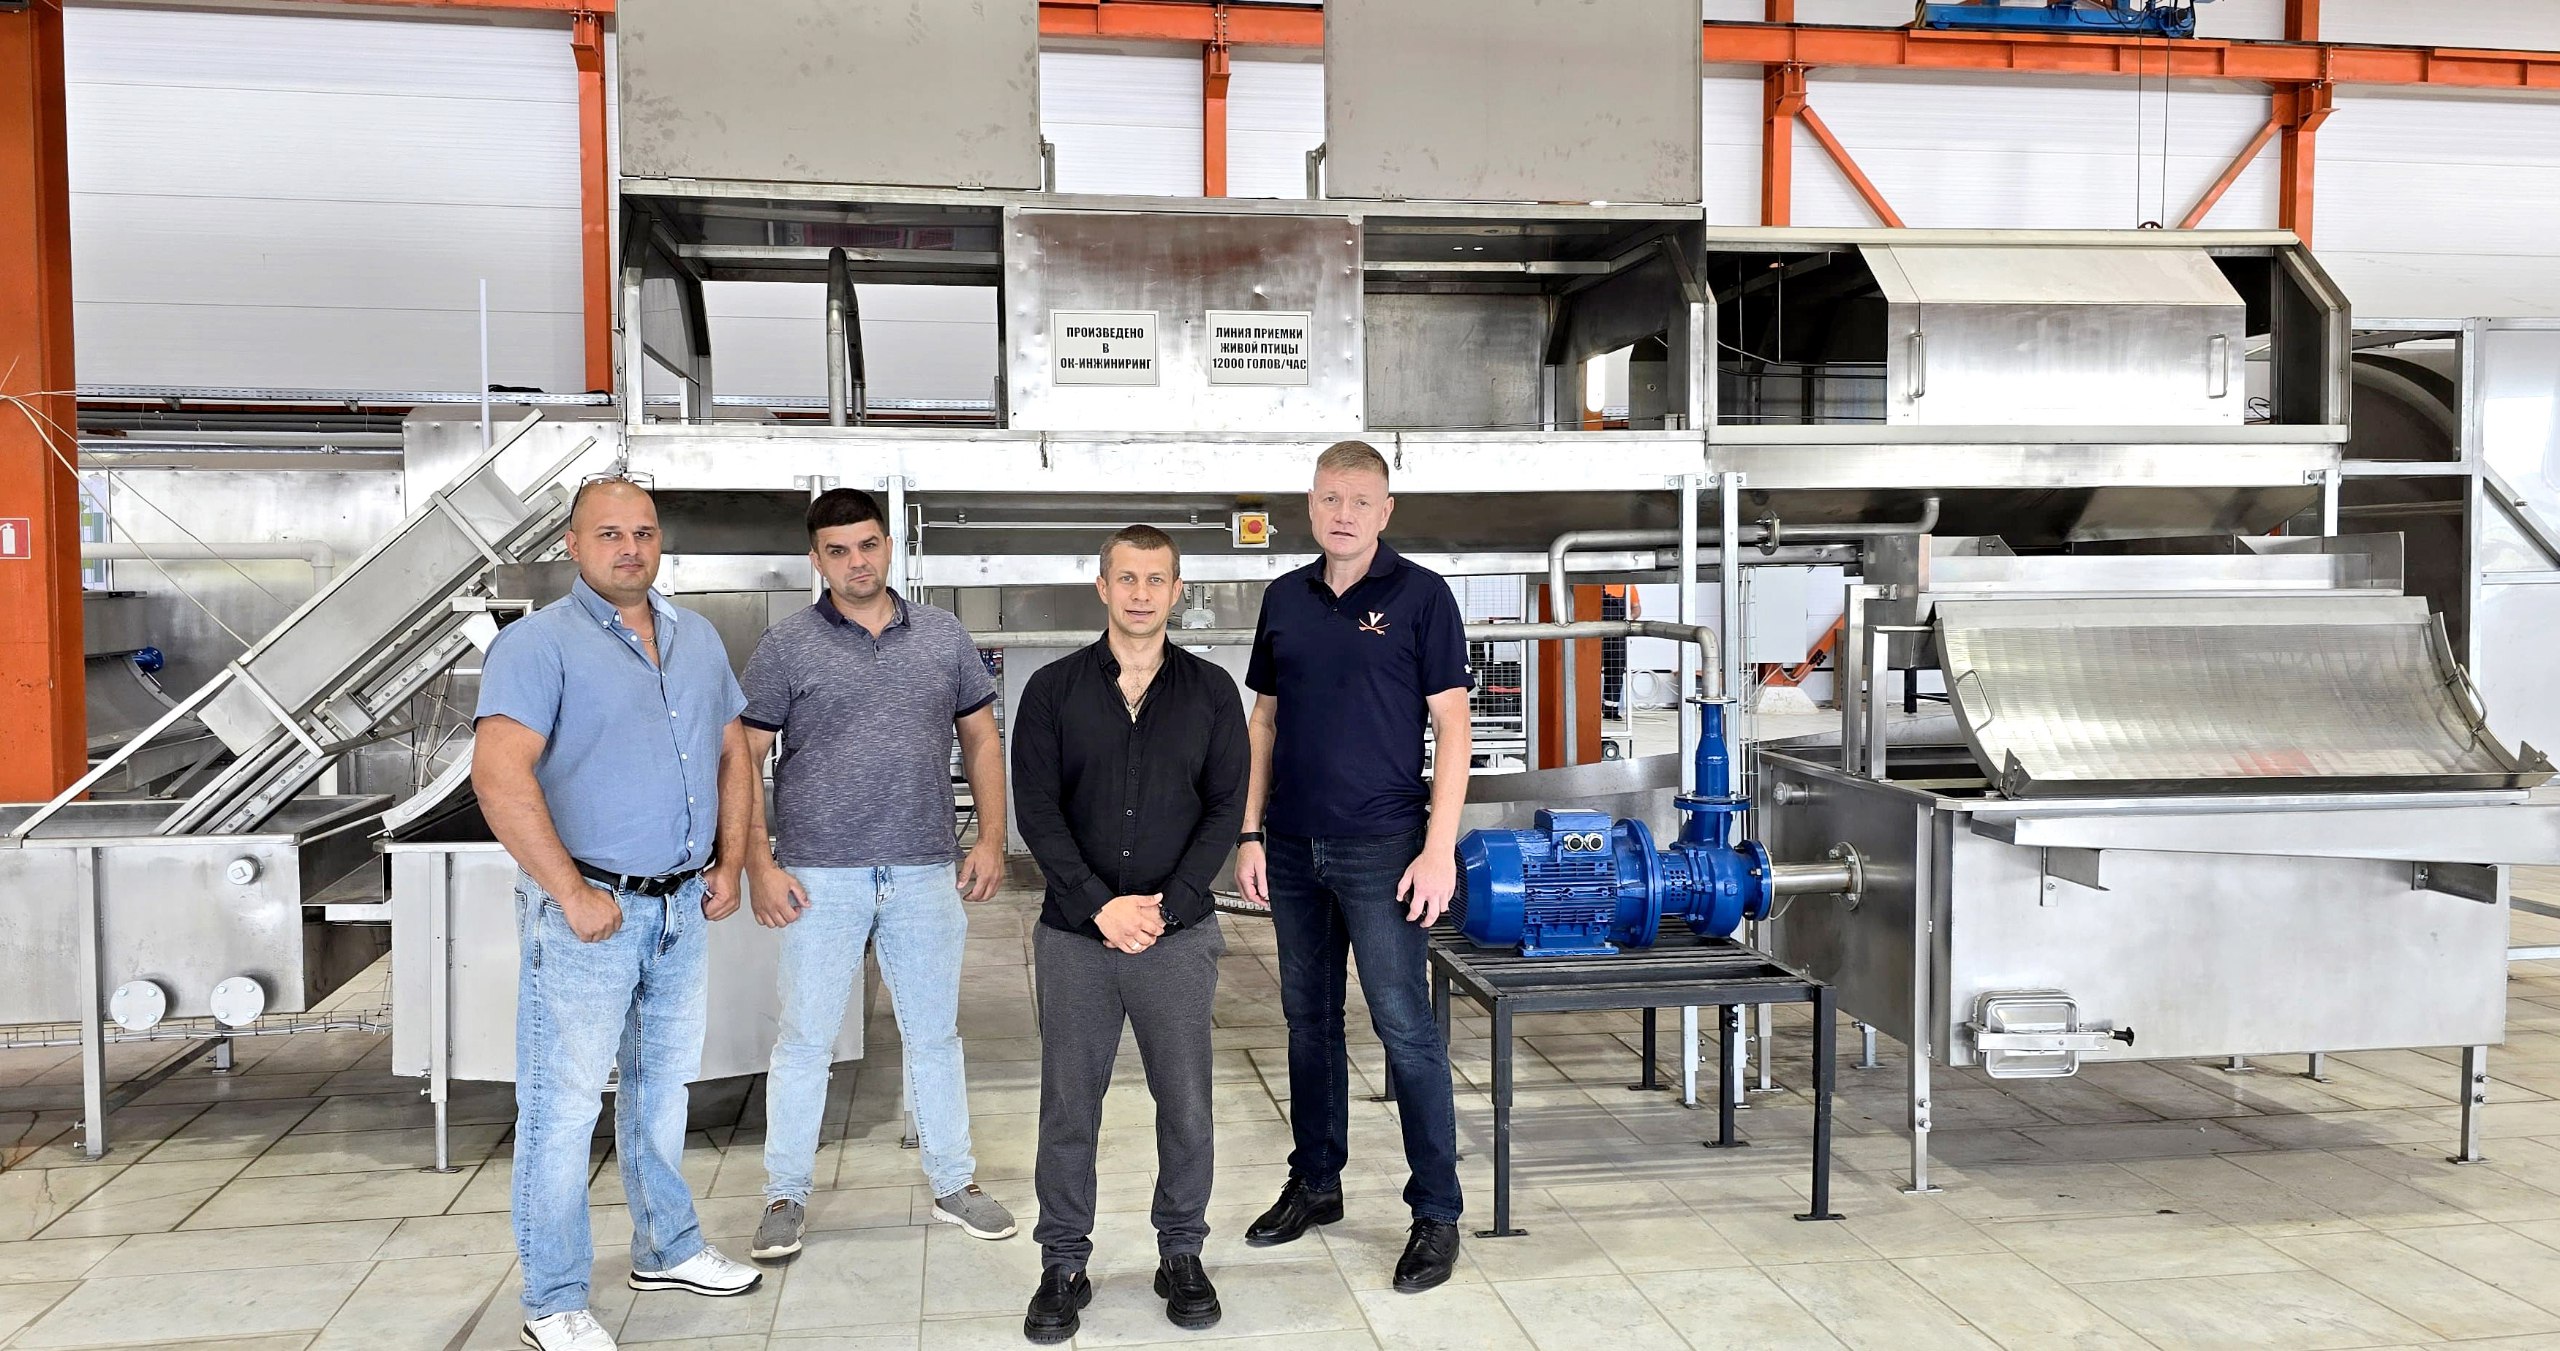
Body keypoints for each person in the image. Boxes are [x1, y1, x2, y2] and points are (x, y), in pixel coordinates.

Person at [473, 476, 763, 1351]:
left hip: (679, 907)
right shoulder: (537, 645)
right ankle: (554, 1296)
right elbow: (498, 775)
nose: (630, 547)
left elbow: (732, 753)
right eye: (609, 533)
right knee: (562, 1108)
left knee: (661, 1092)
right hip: (587, 914)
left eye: (643, 531)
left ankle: (667, 1247)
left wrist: (730, 860)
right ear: (573, 545)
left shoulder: (696, 636)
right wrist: (570, 891)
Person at [740, 486, 1016, 1264]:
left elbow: (982, 739)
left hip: (924, 869)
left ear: (888, 546)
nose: (856, 562)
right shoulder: (785, 645)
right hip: (818, 875)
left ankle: (954, 1182)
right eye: (838, 550)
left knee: (935, 1034)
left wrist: (992, 838)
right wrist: (759, 862)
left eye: (868, 545)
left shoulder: (943, 635)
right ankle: (784, 1194)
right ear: (816, 559)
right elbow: (743, 756)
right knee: (805, 1038)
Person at [1234, 439, 1473, 1293]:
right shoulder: (1283, 598)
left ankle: (1436, 1211)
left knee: (1404, 1026)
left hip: (1385, 848)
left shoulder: (1422, 596)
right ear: (1311, 503)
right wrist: (1250, 831)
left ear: (1385, 510)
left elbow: (1453, 727)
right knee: (1308, 1020)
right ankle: (1317, 1180)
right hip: (1293, 846)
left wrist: (1438, 847)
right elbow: (1264, 721)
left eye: (1360, 500)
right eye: (1331, 498)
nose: (1344, 513)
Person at [1009, 525, 1249, 1344]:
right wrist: (1099, 906)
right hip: (1076, 939)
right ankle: (1062, 1262)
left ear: (1177, 590)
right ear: (1102, 586)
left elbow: (1225, 806)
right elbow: (1037, 810)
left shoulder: (1212, 691)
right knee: (1069, 1106)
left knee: (1185, 1103)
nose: (1141, 593)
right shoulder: (1052, 691)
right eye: (1127, 578)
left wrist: (1167, 907)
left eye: (1156, 579)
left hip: (1176, 939)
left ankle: (1181, 1251)